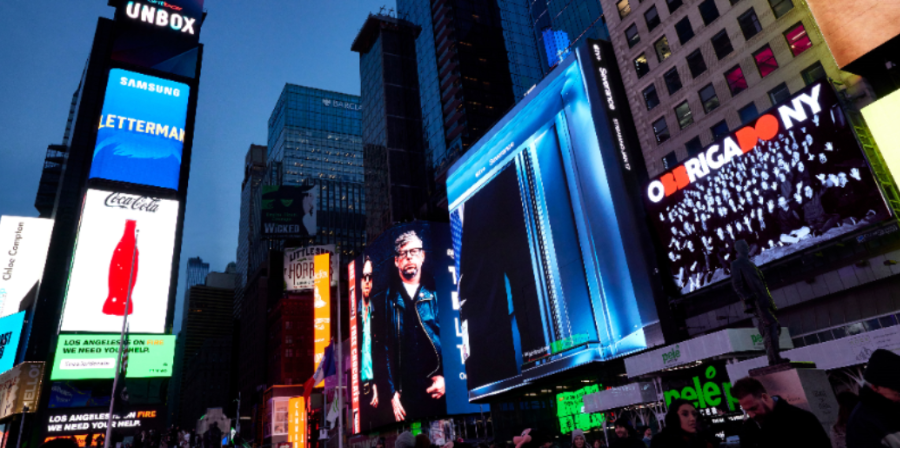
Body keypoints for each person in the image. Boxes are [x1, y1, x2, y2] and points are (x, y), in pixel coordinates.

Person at [383, 230, 446, 422]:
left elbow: (453, 338)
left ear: (423, 256)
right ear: (396, 261)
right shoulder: (389, 299)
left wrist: (447, 378)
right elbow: (384, 349)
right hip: (406, 396)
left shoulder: (437, 292)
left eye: (414, 251)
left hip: (437, 390)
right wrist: (392, 392)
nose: (409, 257)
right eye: (403, 253)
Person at [733, 377, 831, 447]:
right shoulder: (748, 430)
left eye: (754, 408)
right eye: (746, 411)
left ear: (765, 398)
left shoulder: (802, 419)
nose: (751, 415)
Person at [731, 239, 785, 366]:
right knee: (770, 325)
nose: (746, 248)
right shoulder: (737, 264)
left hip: (763, 301)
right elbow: (737, 285)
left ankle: (774, 358)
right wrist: (750, 297)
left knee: (770, 327)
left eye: (746, 246)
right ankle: (774, 359)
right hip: (756, 302)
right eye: (743, 246)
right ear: (738, 249)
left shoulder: (750, 264)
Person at [846, 349, 900, 448]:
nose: (899, 398)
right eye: (897, 393)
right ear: (875, 387)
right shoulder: (861, 424)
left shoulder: (893, 408)